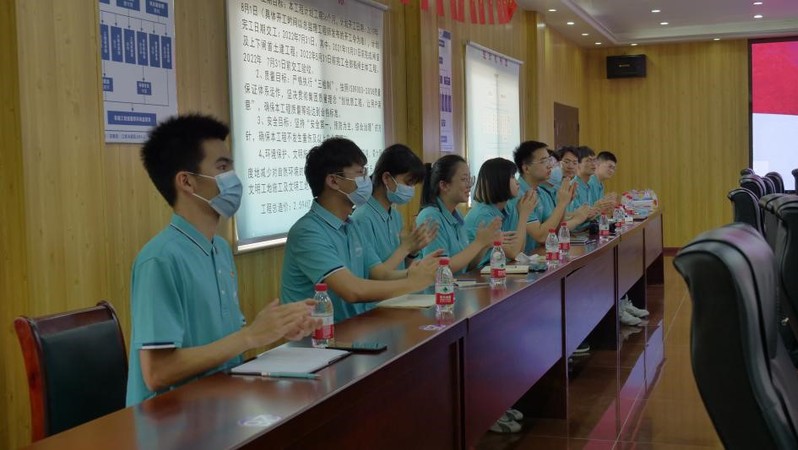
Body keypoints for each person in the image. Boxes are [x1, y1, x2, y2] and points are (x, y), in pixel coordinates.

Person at [127, 114, 319, 406]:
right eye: (222, 167)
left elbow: (225, 341)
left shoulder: (219, 248)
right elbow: (157, 372)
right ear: (187, 182)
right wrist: (250, 336)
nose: (234, 178)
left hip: (220, 400)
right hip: (171, 417)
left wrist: (275, 329)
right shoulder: (160, 259)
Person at [281, 137, 439, 323]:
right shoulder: (307, 232)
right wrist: (411, 283)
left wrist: (416, 273)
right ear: (333, 181)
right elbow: (352, 290)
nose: (367, 180)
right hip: (315, 337)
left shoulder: (351, 225)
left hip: (352, 327)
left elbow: (379, 273)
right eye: (360, 173)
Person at [351, 144, 437, 270]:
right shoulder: (362, 218)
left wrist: (412, 252)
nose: (411, 190)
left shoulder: (395, 216)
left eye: (413, 185)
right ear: (387, 178)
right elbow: (373, 275)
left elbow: (402, 268)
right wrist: (406, 247)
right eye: (408, 183)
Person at [415, 155, 502, 276]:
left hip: (458, 286)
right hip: (437, 288)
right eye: (464, 179)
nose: (469, 185)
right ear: (444, 185)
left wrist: (485, 245)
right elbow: (440, 268)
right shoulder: (430, 216)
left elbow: (468, 266)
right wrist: (478, 243)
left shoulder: (457, 215)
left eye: (469, 179)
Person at [513, 141, 590, 253]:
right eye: (543, 161)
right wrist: (562, 205)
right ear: (526, 169)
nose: (550, 165)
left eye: (549, 160)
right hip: (521, 258)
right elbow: (541, 236)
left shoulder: (542, 193)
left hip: (539, 255)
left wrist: (565, 203)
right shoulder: (518, 195)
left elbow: (557, 230)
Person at [464, 157, 537, 266]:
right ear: (500, 181)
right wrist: (524, 215)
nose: (517, 183)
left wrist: (523, 214)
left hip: (498, 266)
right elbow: (513, 252)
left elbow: (519, 250)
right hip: (481, 271)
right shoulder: (483, 215)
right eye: (512, 177)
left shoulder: (509, 208)